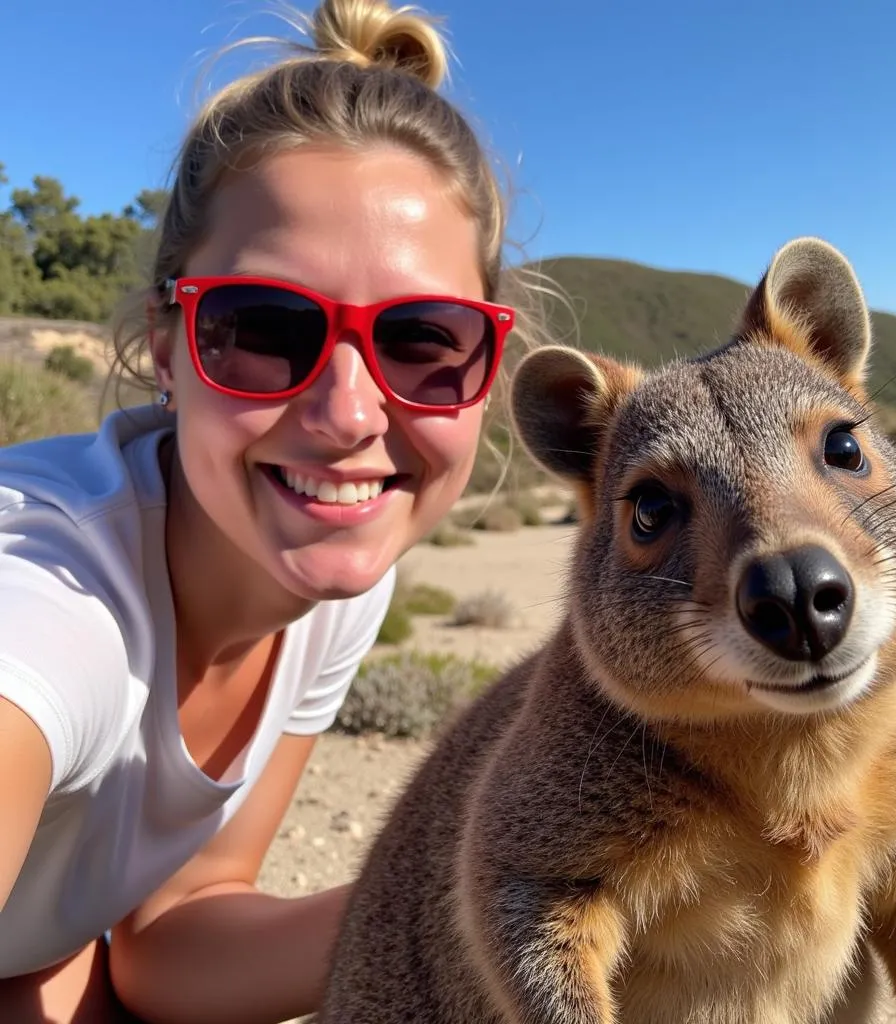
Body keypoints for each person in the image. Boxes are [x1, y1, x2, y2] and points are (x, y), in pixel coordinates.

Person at [0, 1, 546, 1020]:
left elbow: (177, 927)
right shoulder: (48, 600)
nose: (347, 414)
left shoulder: (329, 578)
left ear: (485, 367)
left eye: (424, 339)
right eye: (263, 326)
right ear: (168, 348)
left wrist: (485, 902)